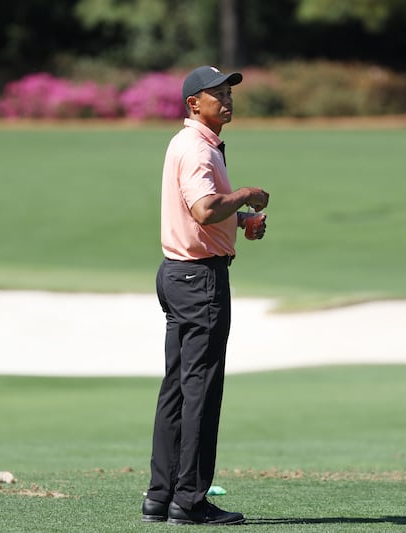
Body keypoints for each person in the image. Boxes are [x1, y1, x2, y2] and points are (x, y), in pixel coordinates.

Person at [141, 65, 269, 526]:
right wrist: (248, 195)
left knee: (176, 387)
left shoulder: (190, 144)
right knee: (200, 390)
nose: (227, 100)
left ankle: (160, 496)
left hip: (177, 274)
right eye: (217, 94)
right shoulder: (197, 148)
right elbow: (203, 206)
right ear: (194, 103)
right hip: (200, 282)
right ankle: (190, 500)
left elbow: (203, 214)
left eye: (228, 92)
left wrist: (238, 223)